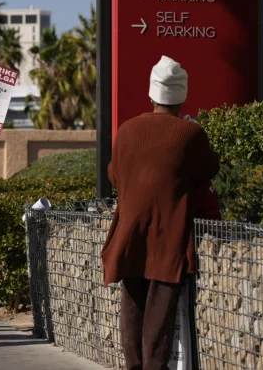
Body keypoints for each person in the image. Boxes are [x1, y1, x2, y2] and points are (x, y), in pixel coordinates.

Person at [101, 56, 219, 370]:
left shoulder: (126, 130)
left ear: (151, 95)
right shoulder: (190, 134)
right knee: (160, 311)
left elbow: (114, 175)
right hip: (169, 234)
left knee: (133, 304)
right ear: (181, 98)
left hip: (129, 230)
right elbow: (209, 169)